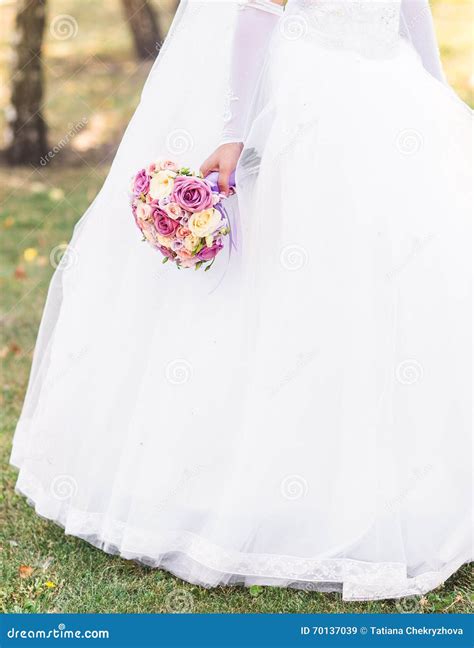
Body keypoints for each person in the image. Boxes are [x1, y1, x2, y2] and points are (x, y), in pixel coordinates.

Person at [11, 0, 471, 600]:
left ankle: (395, 488)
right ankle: (266, 489)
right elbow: (257, 9)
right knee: (293, 287)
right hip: (308, 97)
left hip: (391, 93)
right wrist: (233, 131)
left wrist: (437, 101)